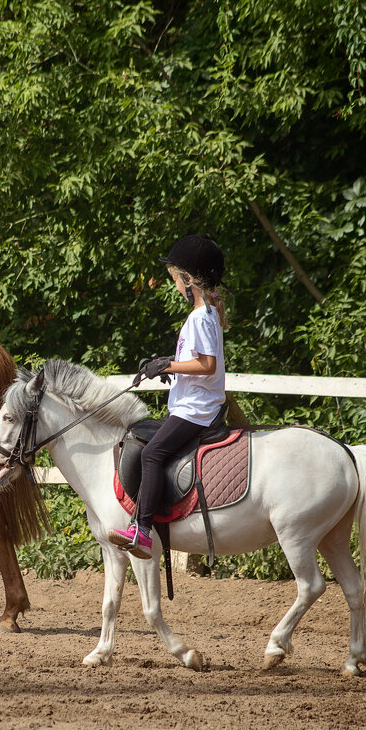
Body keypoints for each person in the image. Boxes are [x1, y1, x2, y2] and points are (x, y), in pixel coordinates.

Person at [108, 234, 228, 559]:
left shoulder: (201, 317)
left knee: (152, 454)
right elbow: (199, 364)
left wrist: (168, 365)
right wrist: (171, 371)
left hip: (195, 410)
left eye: (175, 279)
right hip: (193, 404)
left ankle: (142, 531)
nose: (174, 285)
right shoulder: (206, 315)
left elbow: (206, 364)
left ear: (188, 279)